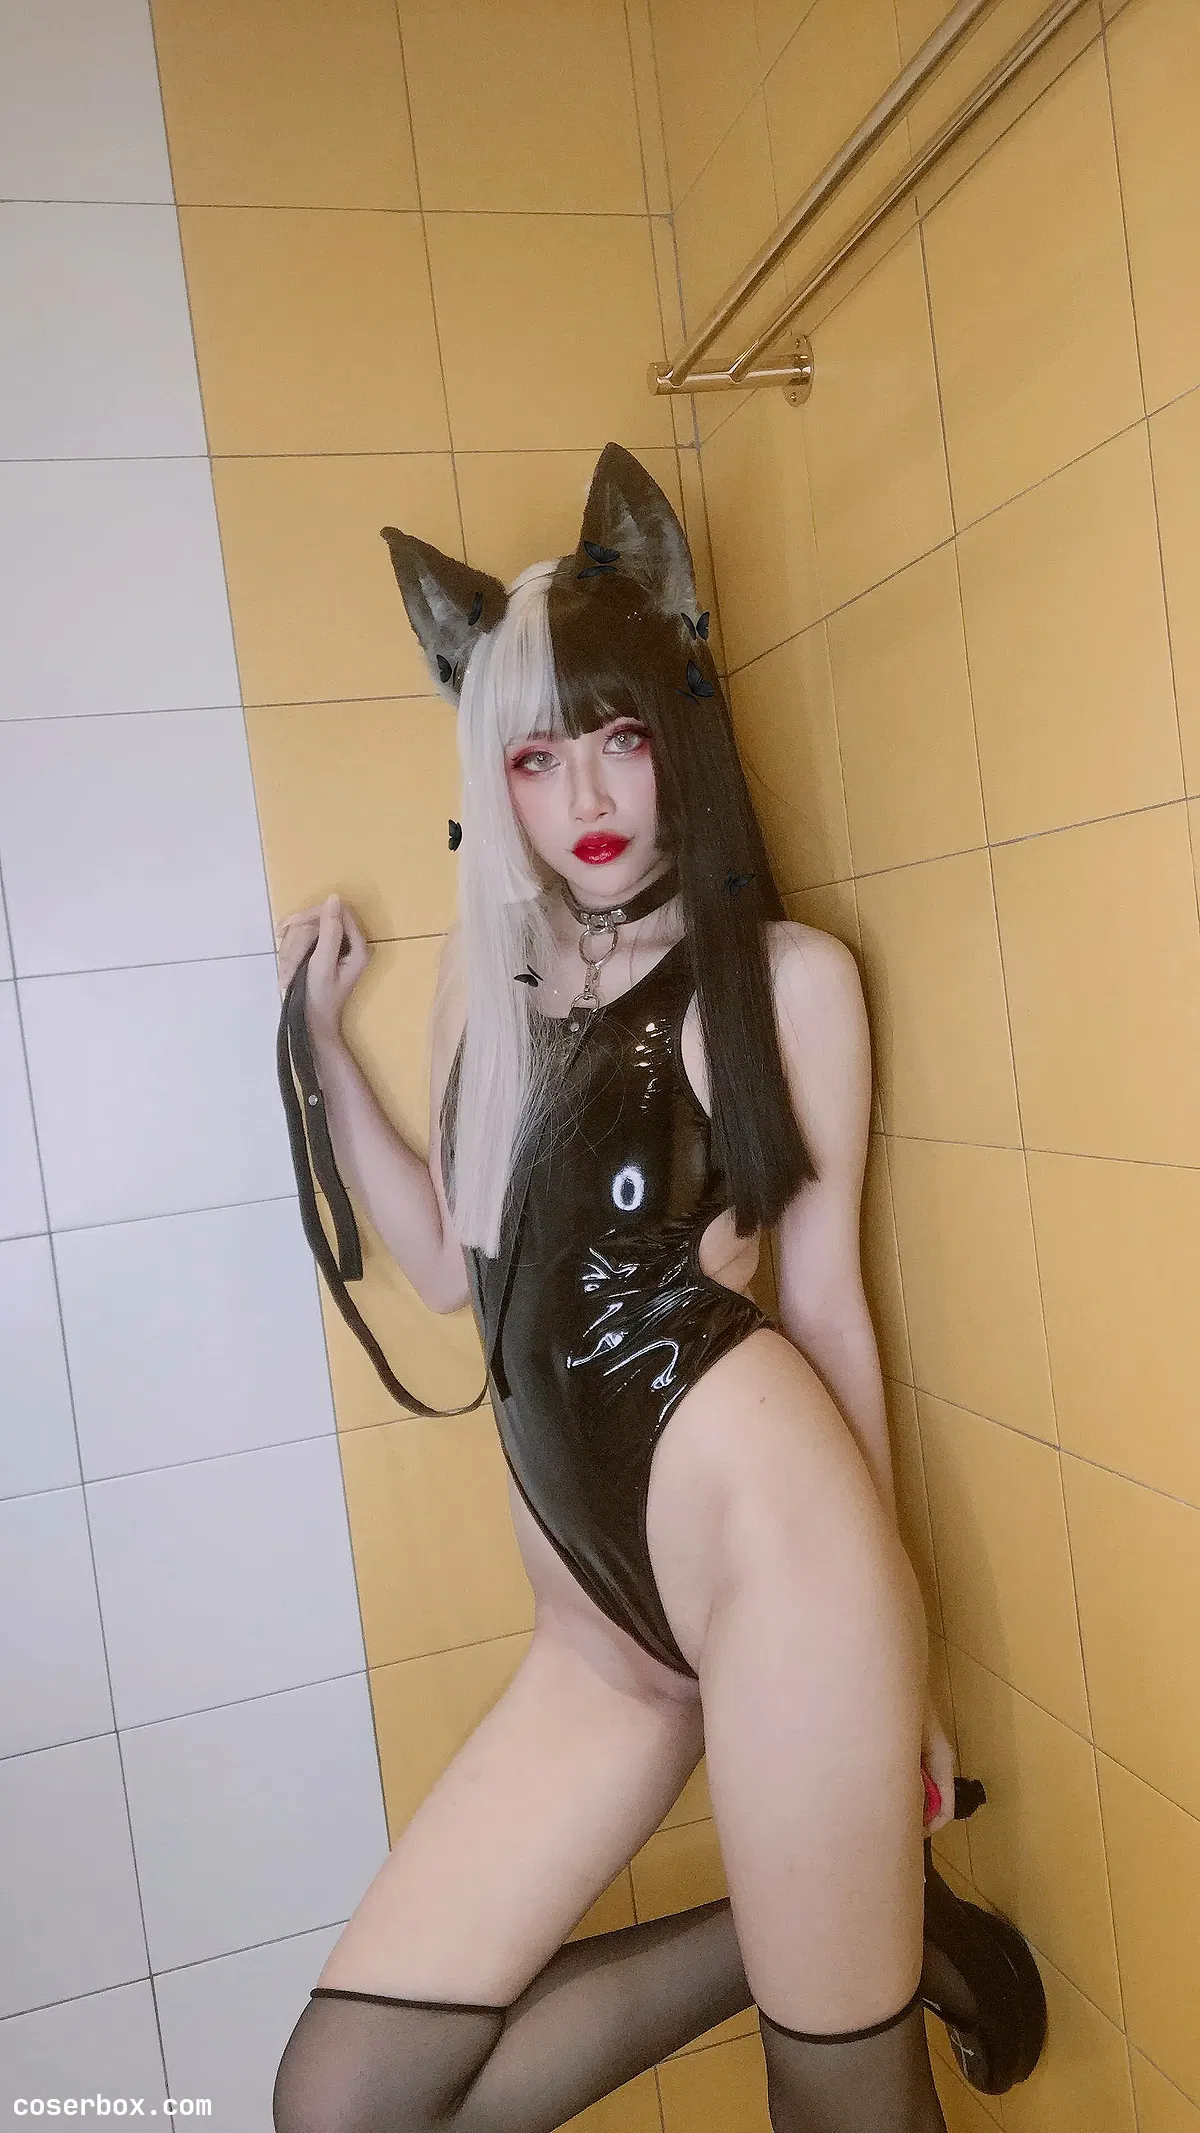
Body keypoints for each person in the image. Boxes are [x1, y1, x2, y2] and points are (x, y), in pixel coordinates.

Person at [269, 445, 1021, 2131]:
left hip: (783, 1572)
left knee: (840, 2112)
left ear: (680, 729)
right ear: (497, 780)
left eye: (620, 738)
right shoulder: (489, 982)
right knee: (345, 2101)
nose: (589, 794)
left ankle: (854, 1925)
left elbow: (827, 1311)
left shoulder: (789, 983)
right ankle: (859, 1924)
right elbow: (450, 1271)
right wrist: (322, 1054)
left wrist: (903, 1665)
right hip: (599, 1635)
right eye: (537, 757)